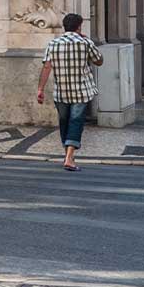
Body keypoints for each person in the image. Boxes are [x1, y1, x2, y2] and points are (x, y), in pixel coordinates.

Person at [34, 12, 103, 172]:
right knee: (76, 122)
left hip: (62, 91)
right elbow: (99, 61)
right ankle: (69, 157)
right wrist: (87, 41)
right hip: (81, 90)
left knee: (64, 122)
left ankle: (68, 155)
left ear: (65, 26)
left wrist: (40, 89)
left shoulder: (53, 44)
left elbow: (46, 67)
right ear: (79, 26)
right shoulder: (85, 42)